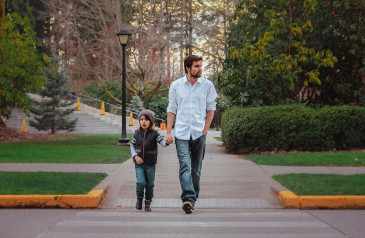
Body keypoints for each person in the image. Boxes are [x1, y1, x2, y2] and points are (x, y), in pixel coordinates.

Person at [165, 55, 217, 214]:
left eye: (201, 66)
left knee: (196, 169)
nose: (200, 69)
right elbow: (172, 109)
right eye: (196, 66)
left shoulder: (207, 85)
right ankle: (188, 198)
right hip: (181, 133)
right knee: (185, 166)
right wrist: (168, 132)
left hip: (199, 133)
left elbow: (211, 109)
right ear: (188, 68)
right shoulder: (176, 85)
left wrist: (205, 130)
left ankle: (191, 200)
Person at [130, 110, 171, 211]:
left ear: (151, 122)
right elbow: (132, 145)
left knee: (150, 184)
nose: (144, 122)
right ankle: (139, 199)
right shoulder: (136, 134)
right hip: (139, 164)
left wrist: (167, 142)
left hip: (151, 164)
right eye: (142, 119)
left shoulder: (155, 134)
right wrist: (135, 156)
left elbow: (162, 143)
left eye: (147, 120)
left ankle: (148, 202)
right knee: (141, 182)